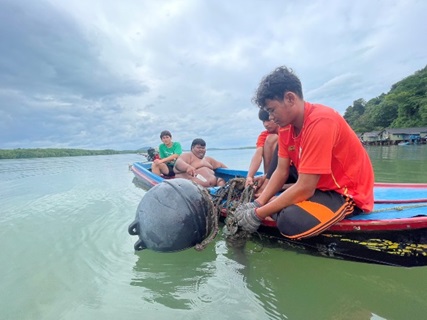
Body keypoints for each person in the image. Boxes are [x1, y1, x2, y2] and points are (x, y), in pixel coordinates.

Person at [235, 66, 374, 239]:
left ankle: (277, 207)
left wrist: (258, 214)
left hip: (345, 192)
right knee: (282, 208)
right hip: (319, 187)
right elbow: (281, 170)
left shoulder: (321, 121)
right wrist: (258, 202)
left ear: (290, 98)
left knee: (290, 221)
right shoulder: (286, 127)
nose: (270, 117)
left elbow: (305, 188)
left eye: (272, 110)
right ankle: (275, 206)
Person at [245, 109, 279, 188]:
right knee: (270, 138)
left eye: (268, 120)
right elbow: (258, 154)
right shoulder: (264, 135)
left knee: (273, 138)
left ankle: (271, 180)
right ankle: (268, 177)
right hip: (271, 173)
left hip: (288, 170)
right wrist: (250, 176)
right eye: (263, 121)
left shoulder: (286, 131)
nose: (265, 124)